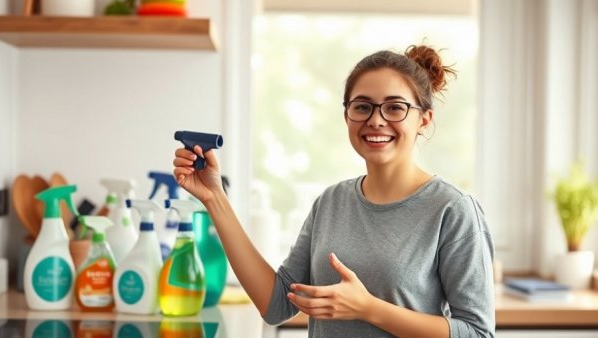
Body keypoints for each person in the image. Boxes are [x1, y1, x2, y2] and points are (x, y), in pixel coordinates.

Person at [173, 45, 495, 338]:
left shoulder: (453, 210)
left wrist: (369, 309)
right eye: (362, 107)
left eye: (395, 108)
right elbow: (276, 304)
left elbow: (477, 333)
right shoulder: (330, 203)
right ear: (347, 116)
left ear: (424, 119)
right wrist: (214, 198)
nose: (376, 120)